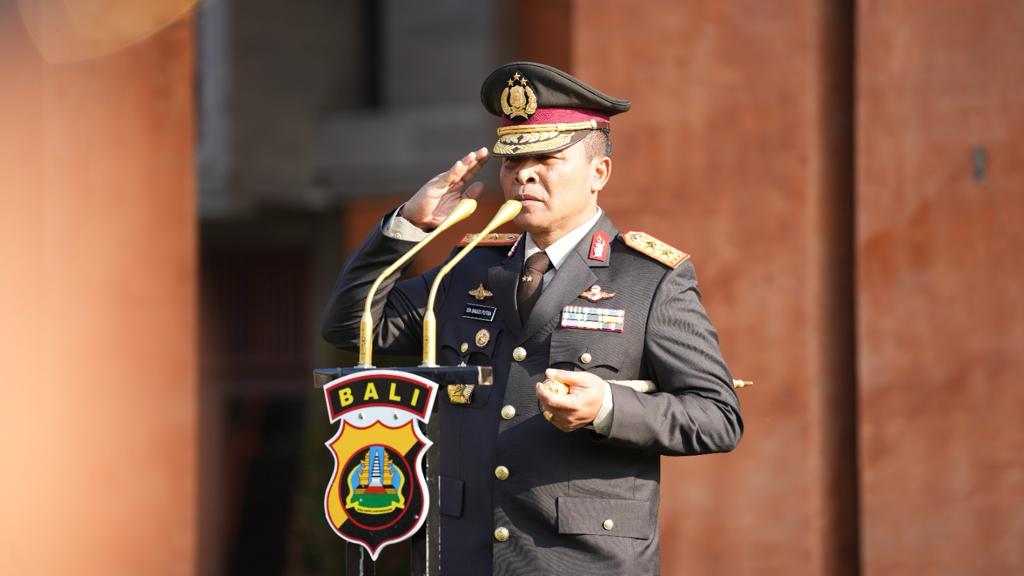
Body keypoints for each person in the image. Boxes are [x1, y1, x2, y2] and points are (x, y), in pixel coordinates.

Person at [321, 61, 742, 575]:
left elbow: (717, 417)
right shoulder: (468, 267)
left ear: (599, 172)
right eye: (513, 160)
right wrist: (409, 224)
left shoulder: (648, 279)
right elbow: (351, 326)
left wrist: (608, 408)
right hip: (465, 557)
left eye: (546, 158)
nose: (523, 174)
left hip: (582, 563)